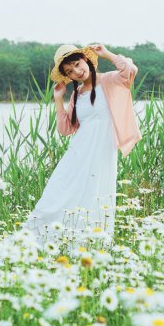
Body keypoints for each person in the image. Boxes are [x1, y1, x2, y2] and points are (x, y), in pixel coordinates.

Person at [24, 43, 142, 248]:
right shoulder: (76, 95)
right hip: (79, 152)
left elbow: (129, 70)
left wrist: (106, 54)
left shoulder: (109, 80)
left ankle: (91, 242)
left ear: (86, 60)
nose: (77, 72)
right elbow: (66, 129)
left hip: (102, 152)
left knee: (96, 193)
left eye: (77, 64)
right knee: (58, 190)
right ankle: (42, 236)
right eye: (69, 71)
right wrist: (58, 99)